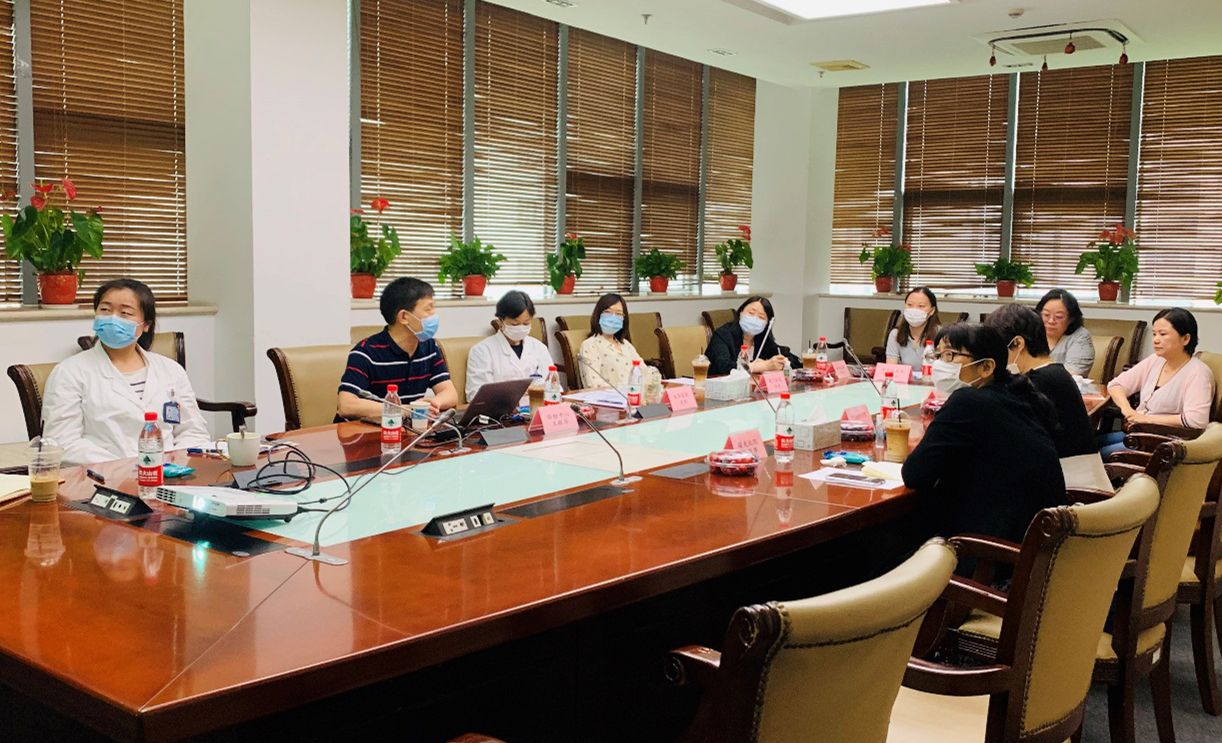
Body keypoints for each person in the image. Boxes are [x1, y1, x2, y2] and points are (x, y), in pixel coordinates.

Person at [902, 323, 1066, 549]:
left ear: (986, 367)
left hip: (990, 554)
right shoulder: (1019, 395)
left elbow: (915, 474)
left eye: (950, 355)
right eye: (937, 356)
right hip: (1037, 546)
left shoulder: (968, 401)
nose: (940, 364)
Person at [42, 278, 210, 466]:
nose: (113, 318)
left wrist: (174, 465)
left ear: (146, 324)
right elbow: (62, 442)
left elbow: (192, 430)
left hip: (169, 474)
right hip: (103, 475)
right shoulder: (69, 372)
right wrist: (126, 467)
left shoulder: (170, 370)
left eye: (125, 313)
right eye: (105, 310)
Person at [985, 304, 1111, 491]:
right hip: (1071, 479)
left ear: (1018, 344)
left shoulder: (1037, 383)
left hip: (1073, 490)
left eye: (995, 349)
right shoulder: (1054, 373)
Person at [336, 277, 458, 422]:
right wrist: (404, 410)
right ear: (404, 317)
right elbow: (346, 405)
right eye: (428, 309)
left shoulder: (429, 347)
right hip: (360, 432)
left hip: (404, 429)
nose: (434, 315)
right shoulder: (365, 353)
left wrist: (434, 402)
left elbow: (450, 393)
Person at [1100, 308, 1215, 456]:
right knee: (1085, 446)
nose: (1155, 340)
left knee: (1098, 454)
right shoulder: (1156, 360)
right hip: (1139, 433)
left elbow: (1196, 420)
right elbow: (1116, 385)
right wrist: (1127, 409)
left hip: (1164, 443)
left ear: (1186, 339)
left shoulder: (1198, 373)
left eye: (1163, 334)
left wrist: (1147, 419)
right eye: (1154, 334)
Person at [466, 290, 554, 401]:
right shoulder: (482, 351)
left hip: (536, 406)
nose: (521, 328)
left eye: (526, 323)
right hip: (501, 410)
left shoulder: (539, 347)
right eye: (514, 324)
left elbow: (553, 386)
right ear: (501, 321)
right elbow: (476, 395)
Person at [577, 293, 662, 390]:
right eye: (608, 312)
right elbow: (593, 384)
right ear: (598, 315)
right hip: (610, 397)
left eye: (619, 314)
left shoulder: (625, 344)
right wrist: (625, 389)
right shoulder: (590, 345)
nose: (613, 318)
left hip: (636, 395)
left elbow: (644, 372)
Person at [705, 296, 801, 376]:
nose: (754, 319)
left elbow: (796, 361)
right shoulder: (723, 334)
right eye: (751, 313)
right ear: (741, 313)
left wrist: (783, 362)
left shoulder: (762, 339)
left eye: (761, 317)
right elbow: (724, 367)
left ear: (767, 324)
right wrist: (763, 366)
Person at [1036, 288, 1095, 377]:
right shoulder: (1030, 331)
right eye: (1046, 315)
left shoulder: (1080, 336)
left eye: (1059, 317)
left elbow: (1072, 373)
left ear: (1071, 319)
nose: (1051, 321)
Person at [886, 287, 942, 372]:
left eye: (921, 306)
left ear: (932, 311)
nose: (914, 310)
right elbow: (891, 368)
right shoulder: (895, 334)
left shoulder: (941, 335)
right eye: (910, 305)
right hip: (905, 380)